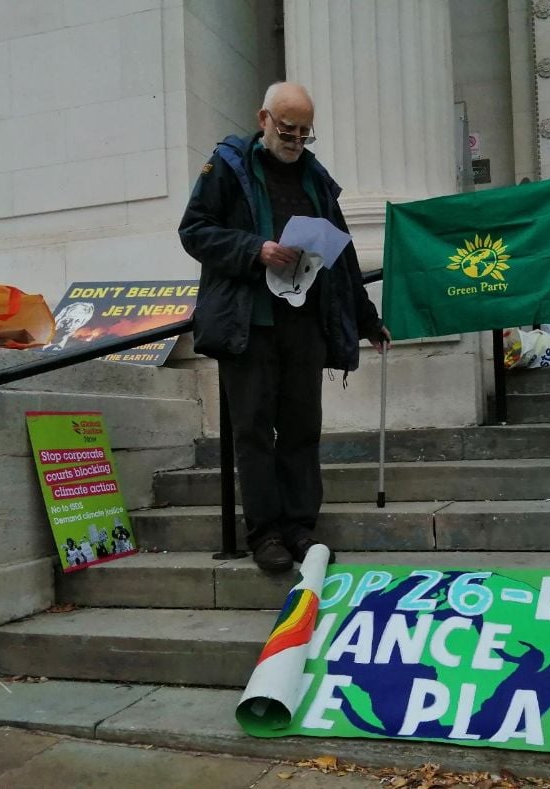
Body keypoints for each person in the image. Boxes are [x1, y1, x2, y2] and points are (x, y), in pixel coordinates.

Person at [179, 82, 390, 573]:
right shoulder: (228, 166)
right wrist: (257, 249)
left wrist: (368, 319)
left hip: (303, 323)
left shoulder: (316, 179)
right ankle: (265, 533)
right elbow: (195, 231)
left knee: (301, 428)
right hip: (249, 323)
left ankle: (300, 527)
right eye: (287, 130)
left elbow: (343, 255)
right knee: (253, 431)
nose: (294, 142)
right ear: (263, 119)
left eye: (303, 134)